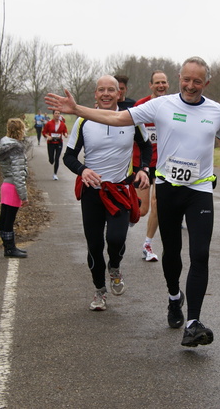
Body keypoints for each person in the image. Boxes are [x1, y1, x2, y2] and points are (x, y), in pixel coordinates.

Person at [46, 56, 220, 347]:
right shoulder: (162, 105)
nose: (191, 86)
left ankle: (193, 322)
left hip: (200, 190)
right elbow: (118, 118)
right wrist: (77, 109)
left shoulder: (216, 111)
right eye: (186, 79)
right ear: (179, 78)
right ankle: (173, 296)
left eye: (197, 81)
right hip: (168, 189)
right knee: (172, 254)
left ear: (206, 82)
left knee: (201, 254)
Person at [63, 75, 152, 311]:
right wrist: (83, 170)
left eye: (110, 90)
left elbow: (146, 146)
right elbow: (68, 156)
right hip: (93, 193)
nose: (106, 94)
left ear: (118, 94)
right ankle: (99, 291)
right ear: (95, 94)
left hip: (120, 190)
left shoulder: (131, 119)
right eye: (101, 90)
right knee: (94, 245)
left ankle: (114, 266)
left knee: (115, 239)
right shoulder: (83, 121)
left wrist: (143, 169)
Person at [131, 70, 170, 262]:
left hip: (164, 164)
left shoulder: (173, 105)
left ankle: (147, 244)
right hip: (143, 163)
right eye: (157, 83)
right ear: (150, 85)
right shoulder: (141, 106)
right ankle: (122, 220)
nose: (161, 86)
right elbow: (130, 133)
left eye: (164, 82)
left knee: (158, 203)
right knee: (142, 210)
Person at [0, 118, 30, 258]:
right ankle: (10, 248)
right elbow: (18, 174)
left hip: (6, 185)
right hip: (13, 186)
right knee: (9, 220)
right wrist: (23, 196)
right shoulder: (16, 149)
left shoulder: (3, 144)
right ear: (20, 130)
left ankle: (7, 246)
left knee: (4, 218)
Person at [42, 110, 68, 180]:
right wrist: (48, 136)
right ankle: (51, 159)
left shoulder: (62, 124)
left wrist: (65, 134)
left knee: (57, 158)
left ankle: (55, 174)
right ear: (53, 114)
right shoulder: (49, 123)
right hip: (51, 143)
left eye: (58, 113)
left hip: (59, 143)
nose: (57, 115)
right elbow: (44, 132)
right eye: (56, 113)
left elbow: (65, 131)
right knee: (51, 160)